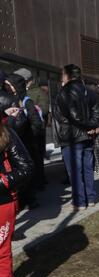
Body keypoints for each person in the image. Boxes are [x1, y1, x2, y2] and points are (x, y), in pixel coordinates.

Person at [0, 94, 33, 277]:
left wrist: (3, 181)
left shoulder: (6, 134)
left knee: (0, 250)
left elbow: (26, 166)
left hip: (2, 202)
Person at [54, 64, 99, 210]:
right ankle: (90, 198)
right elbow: (97, 112)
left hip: (72, 137)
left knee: (75, 170)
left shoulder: (65, 92)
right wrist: (92, 126)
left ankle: (80, 201)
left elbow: (74, 117)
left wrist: (90, 126)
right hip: (86, 136)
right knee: (87, 168)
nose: (62, 77)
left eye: (62, 74)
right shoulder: (89, 91)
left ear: (67, 75)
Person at [6, 73, 44, 208]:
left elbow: (37, 124)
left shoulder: (26, 101)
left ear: (15, 86)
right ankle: (22, 199)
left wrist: (28, 135)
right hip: (13, 143)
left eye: (9, 84)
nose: (6, 87)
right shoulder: (9, 99)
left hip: (26, 142)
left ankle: (30, 199)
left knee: (26, 172)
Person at [13, 68, 47, 191]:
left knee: (36, 158)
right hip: (28, 131)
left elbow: (43, 111)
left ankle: (40, 181)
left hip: (35, 131)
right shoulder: (19, 94)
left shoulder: (37, 93)